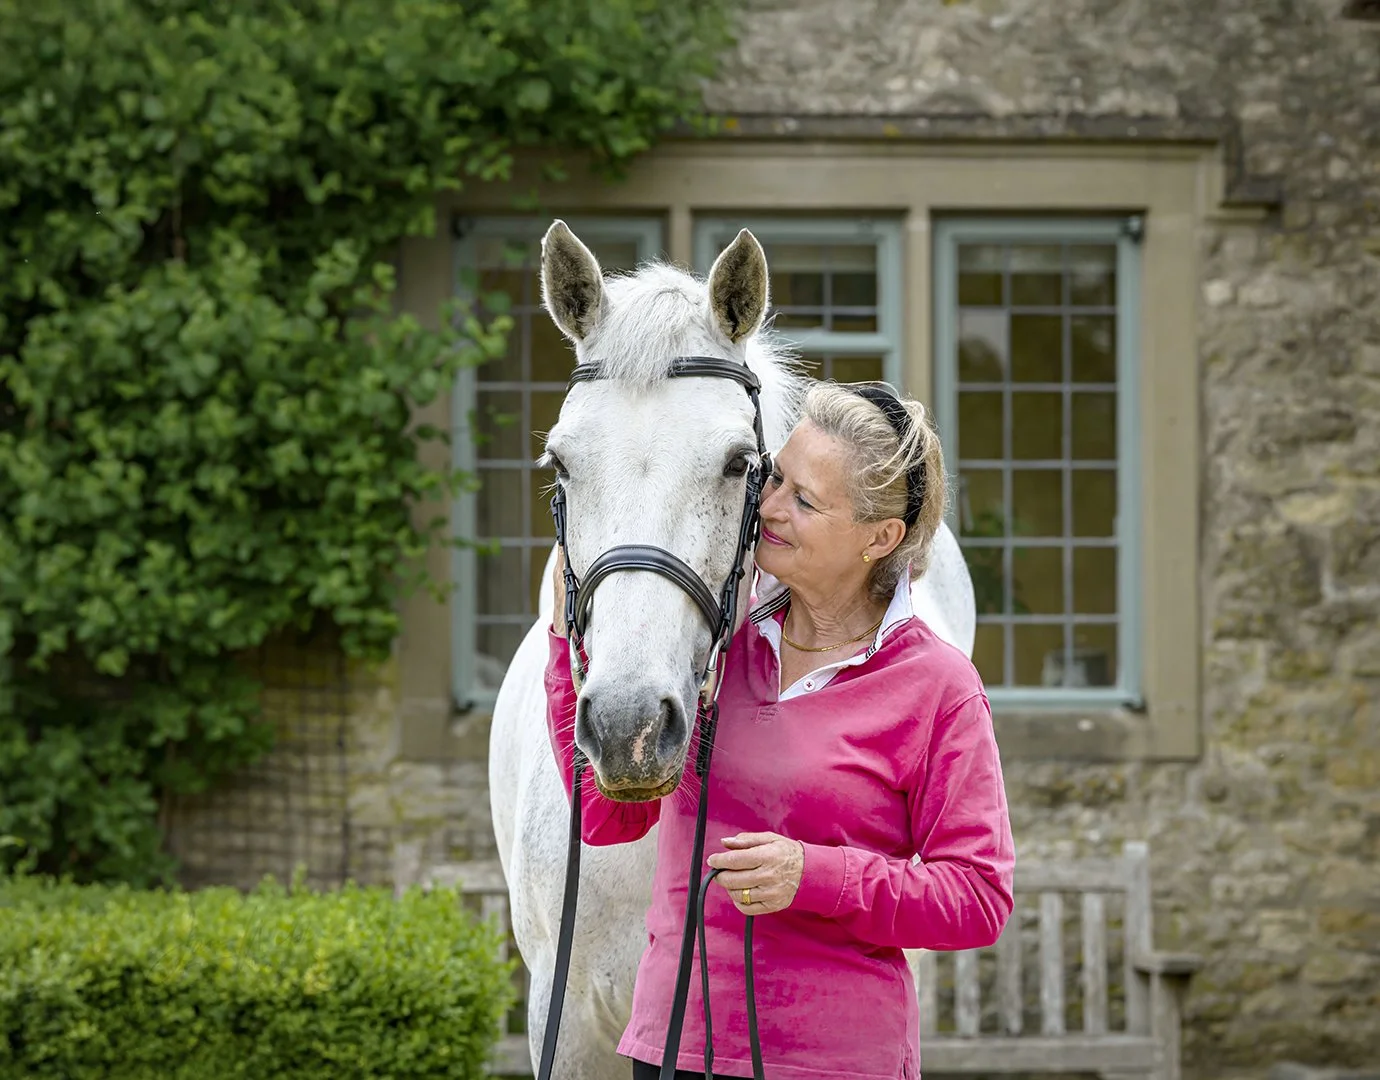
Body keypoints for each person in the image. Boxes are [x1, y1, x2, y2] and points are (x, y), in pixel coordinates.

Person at [543, 380, 1016, 1080]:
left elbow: (977, 898)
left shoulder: (936, 687)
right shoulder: (716, 651)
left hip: (838, 1061)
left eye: (805, 499)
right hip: (674, 1049)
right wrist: (565, 648)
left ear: (877, 538)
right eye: (775, 479)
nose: (768, 508)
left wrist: (815, 875)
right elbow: (605, 818)